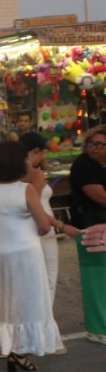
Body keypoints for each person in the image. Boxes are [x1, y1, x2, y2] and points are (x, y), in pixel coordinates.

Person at [0, 141, 62, 370]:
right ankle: (19, 351)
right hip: (25, 253)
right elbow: (43, 226)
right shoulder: (25, 190)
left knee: (2, 298)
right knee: (27, 301)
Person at [20, 131, 81, 308]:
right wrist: (61, 225)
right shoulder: (34, 174)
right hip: (43, 227)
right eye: (43, 152)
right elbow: (36, 207)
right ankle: (44, 320)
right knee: (48, 276)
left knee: (33, 279)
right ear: (36, 151)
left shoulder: (15, 172)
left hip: (28, 227)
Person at [68, 124, 106, 344]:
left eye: (99, 144)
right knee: (96, 277)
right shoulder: (84, 165)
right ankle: (97, 327)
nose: (94, 148)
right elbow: (99, 196)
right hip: (90, 226)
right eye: (91, 144)